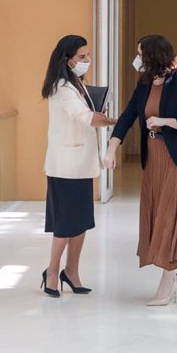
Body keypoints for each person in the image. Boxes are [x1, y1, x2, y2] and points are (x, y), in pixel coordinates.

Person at [104, 34, 177, 306]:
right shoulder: (144, 85)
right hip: (155, 160)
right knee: (156, 214)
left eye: (140, 53)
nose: (136, 59)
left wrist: (164, 121)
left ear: (153, 56)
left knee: (168, 218)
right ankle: (170, 278)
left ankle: (168, 280)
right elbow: (127, 118)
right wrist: (111, 148)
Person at [41, 35, 117, 298]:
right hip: (65, 167)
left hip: (82, 165)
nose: (87, 61)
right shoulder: (61, 87)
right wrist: (115, 122)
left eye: (88, 56)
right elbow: (85, 118)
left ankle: (71, 271)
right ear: (67, 59)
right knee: (64, 225)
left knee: (81, 222)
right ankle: (52, 272)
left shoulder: (78, 84)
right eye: (82, 57)